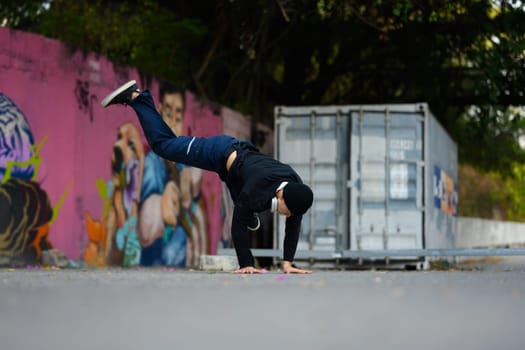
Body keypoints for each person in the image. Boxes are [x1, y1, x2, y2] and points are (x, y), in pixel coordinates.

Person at [101, 80, 314, 274]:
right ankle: (138, 98)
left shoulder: (296, 187)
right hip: (219, 151)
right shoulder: (257, 188)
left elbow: (293, 227)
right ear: (282, 196)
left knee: (248, 204)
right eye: (288, 212)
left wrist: (288, 263)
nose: (288, 216)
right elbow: (237, 224)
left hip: (239, 172)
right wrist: (247, 263)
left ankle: (252, 215)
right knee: (164, 146)